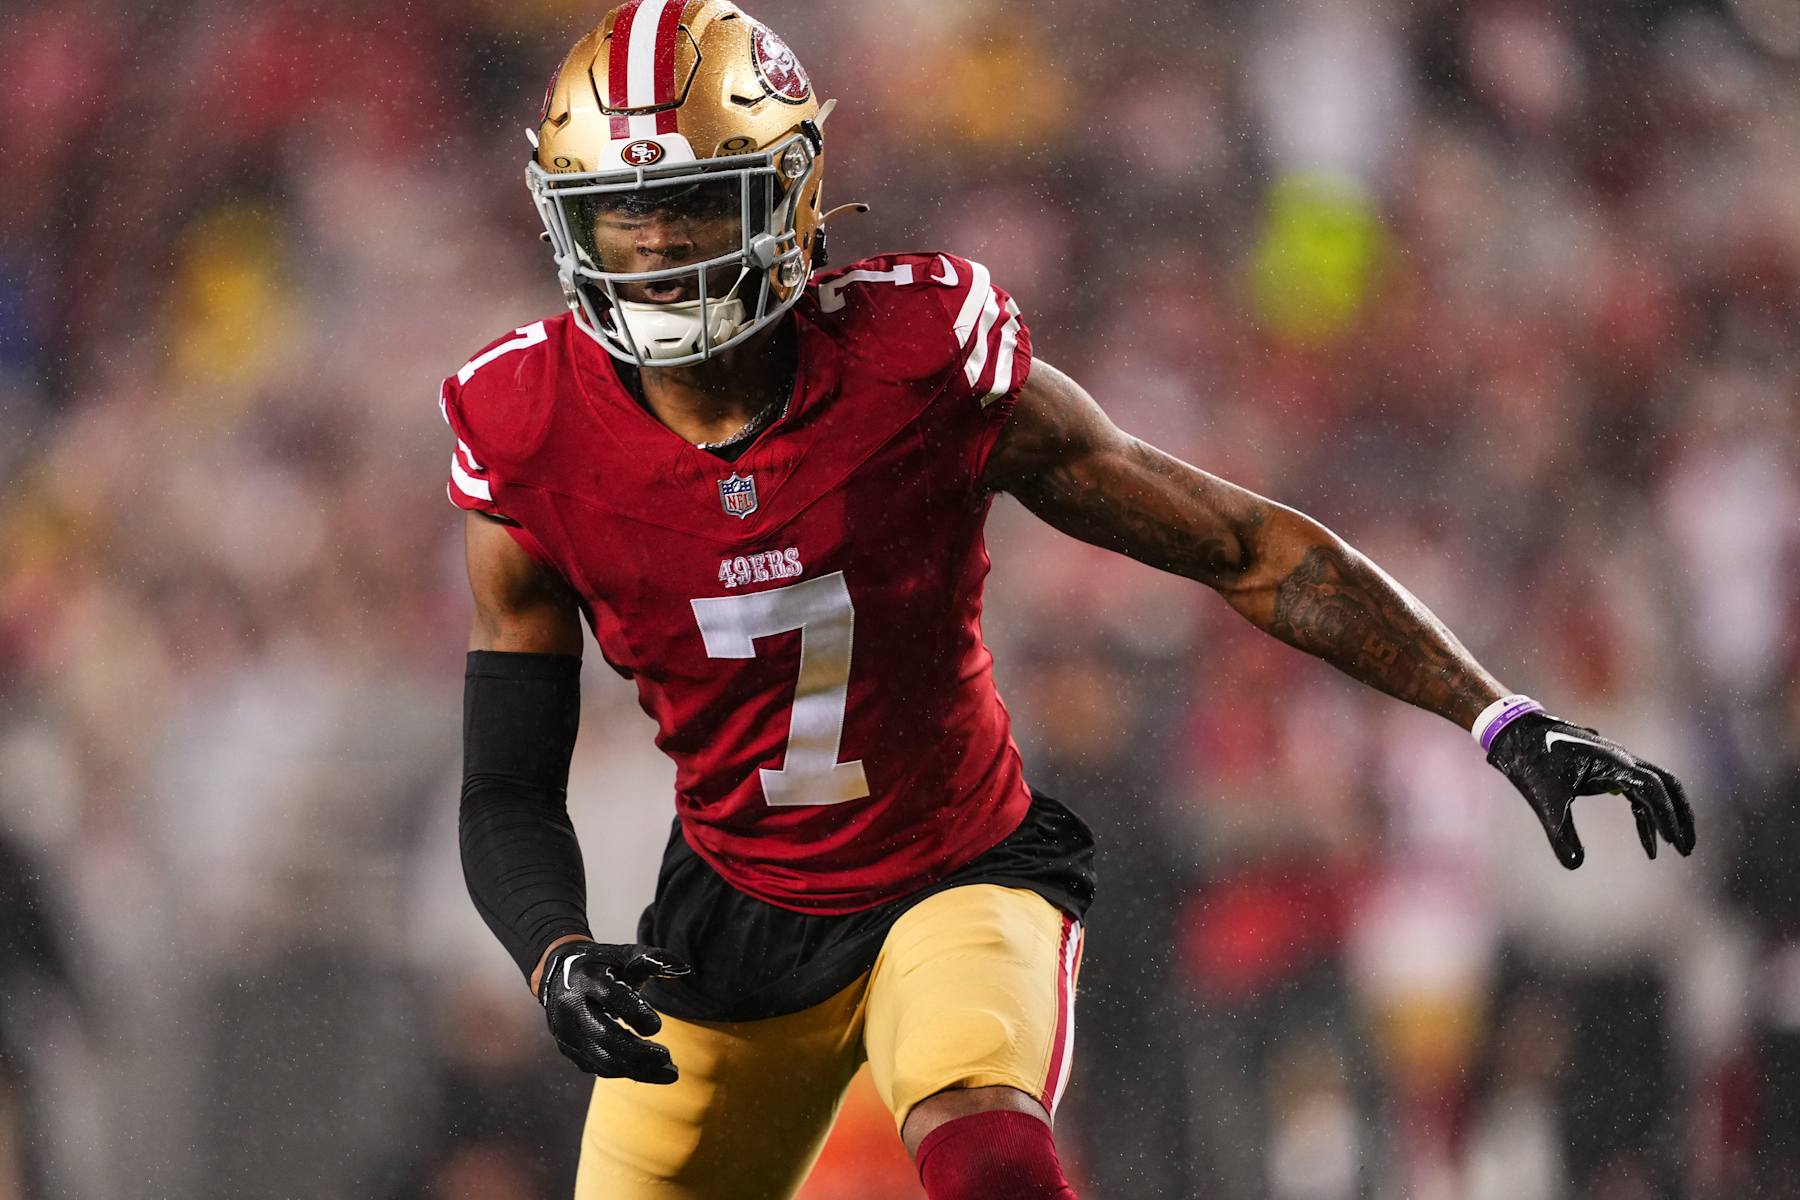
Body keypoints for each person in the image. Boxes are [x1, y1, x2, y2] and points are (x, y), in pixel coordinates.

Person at [444, 4, 1697, 1197]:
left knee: (992, 1163)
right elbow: (507, 780)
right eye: (626, 215)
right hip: (731, 909)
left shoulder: (917, 367)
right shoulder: (529, 434)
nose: (660, 250)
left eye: (692, 205)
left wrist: (1497, 716)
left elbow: (1241, 545)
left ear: (788, 195)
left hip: (954, 868)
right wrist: (553, 947)